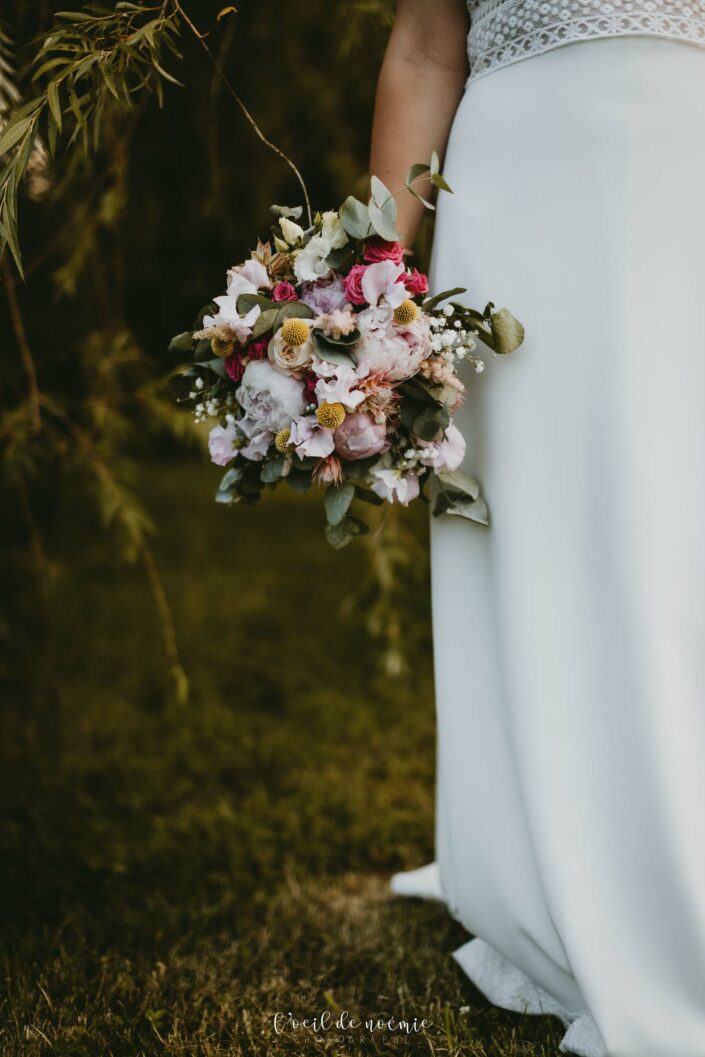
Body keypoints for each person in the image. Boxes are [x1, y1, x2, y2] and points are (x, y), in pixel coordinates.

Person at [371, 2, 705, 1055]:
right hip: (514, 191)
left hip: (682, 167)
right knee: (540, 540)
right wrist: (368, 283)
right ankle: (553, 865)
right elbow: (426, 42)